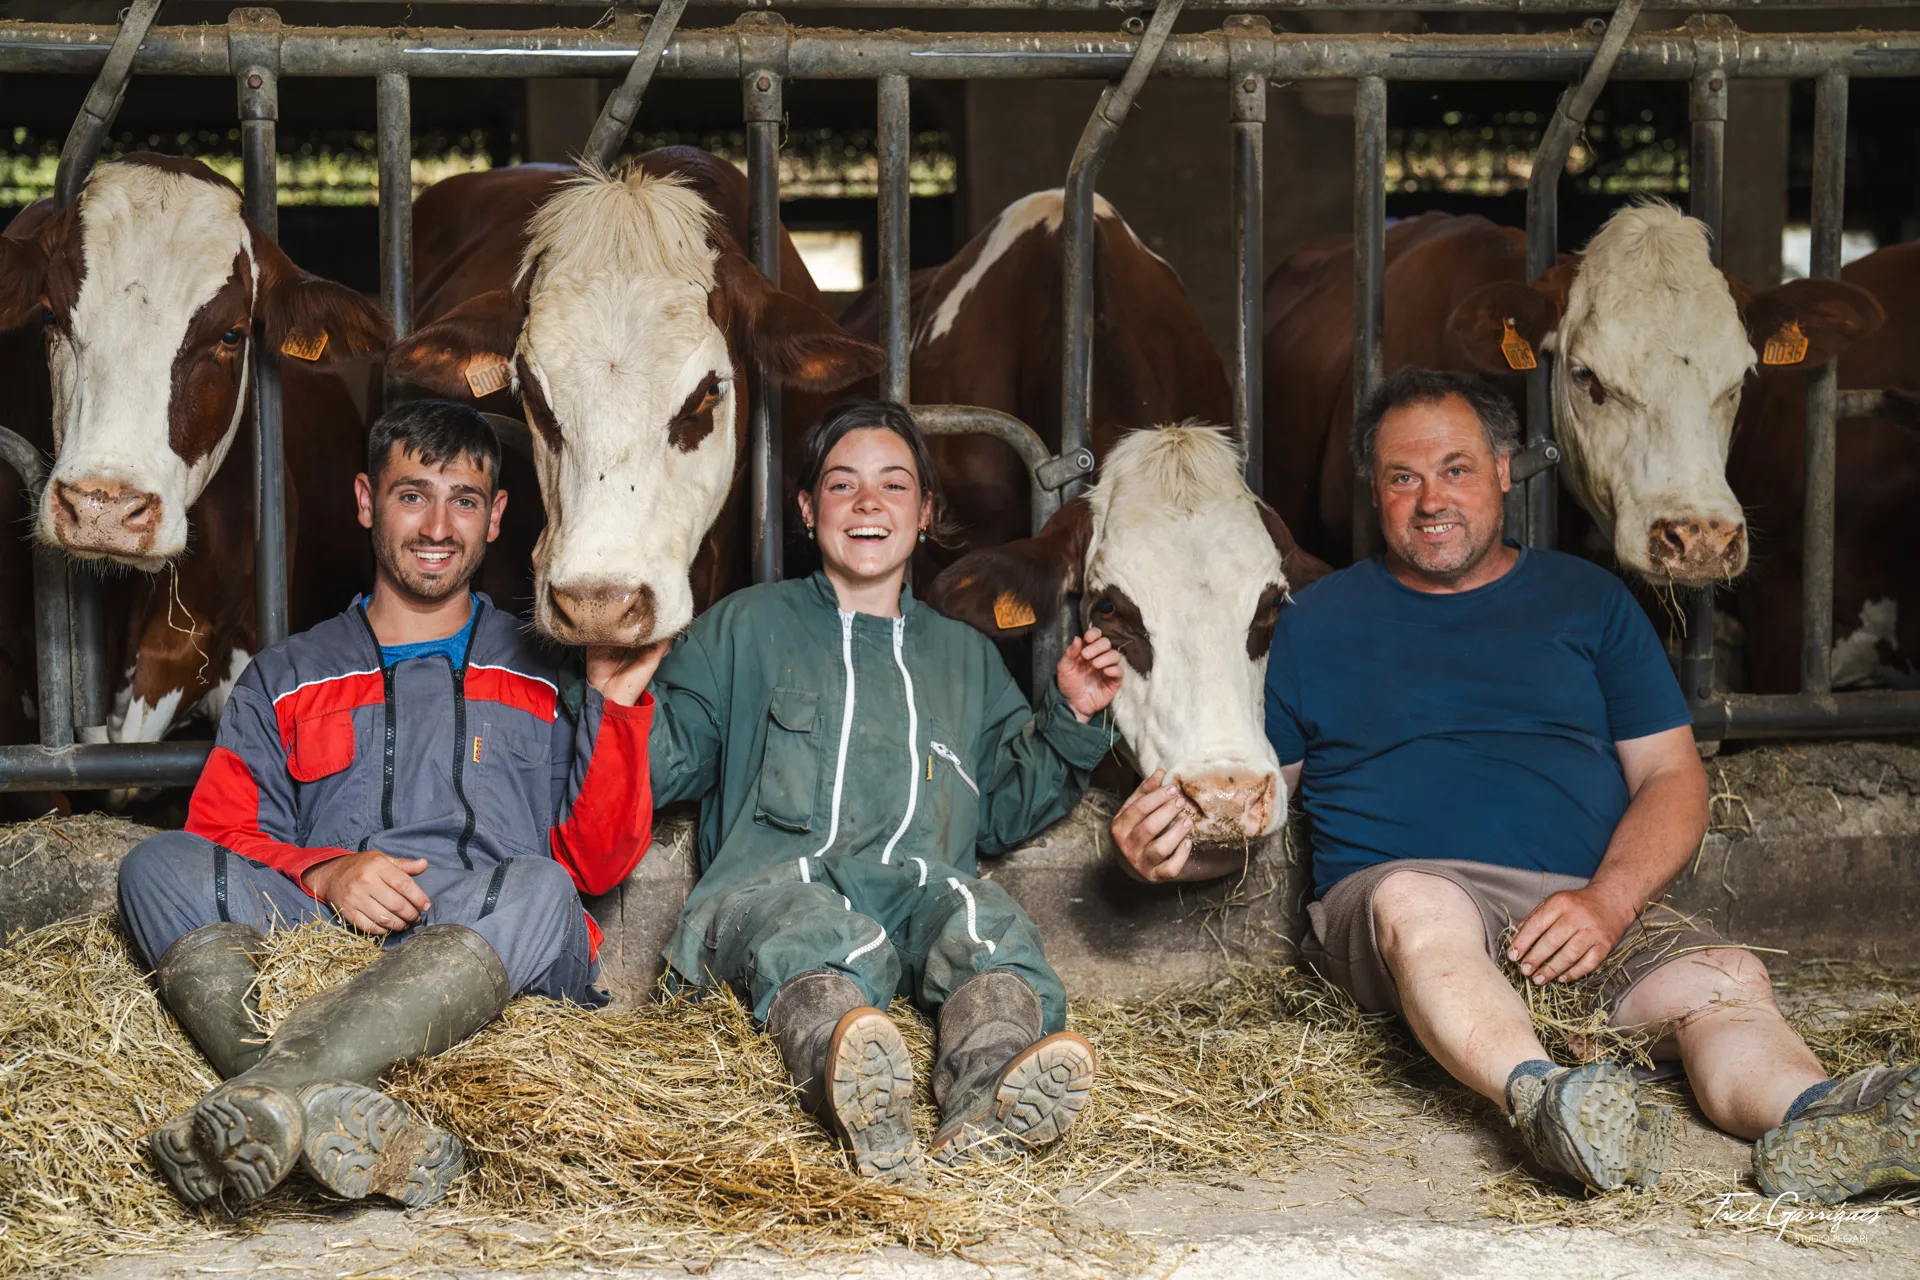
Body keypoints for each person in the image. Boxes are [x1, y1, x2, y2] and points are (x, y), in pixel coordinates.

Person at [1109, 367, 1920, 1205]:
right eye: (1402, 477)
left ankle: (1824, 1121)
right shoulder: (1311, 622)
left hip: (1583, 910)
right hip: (1408, 898)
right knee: (1420, 907)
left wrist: (1607, 903)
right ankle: (1548, 1101)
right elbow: (1257, 809)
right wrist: (1164, 857)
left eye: (1456, 469)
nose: (1431, 499)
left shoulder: (1589, 600)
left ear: (1504, 471)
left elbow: (1673, 777)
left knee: (1726, 978)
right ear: (1375, 491)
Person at [117, 399, 657, 1209]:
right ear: (368, 502)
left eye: (464, 500)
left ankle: (266, 1095)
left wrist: (614, 703)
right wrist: (327, 871)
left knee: (543, 886)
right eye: (413, 495)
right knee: (156, 865)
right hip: (324, 932)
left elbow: (596, 860)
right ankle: (328, 1105)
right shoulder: (288, 672)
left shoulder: (548, 668)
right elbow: (220, 832)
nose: (438, 524)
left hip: (483, 933)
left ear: (498, 517)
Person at [639, 399, 1123, 1180]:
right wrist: (617, 686)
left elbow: (1000, 810)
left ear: (926, 512)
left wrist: (1069, 715)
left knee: (984, 920)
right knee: (809, 932)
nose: (868, 503)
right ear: (806, 509)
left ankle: (989, 1095)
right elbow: (664, 762)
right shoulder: (743, 627)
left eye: (894, 485)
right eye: (841, 485)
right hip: (772, 889)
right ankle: (858, 1090)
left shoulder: (965, 658)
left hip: (915, 893)